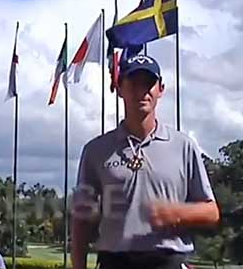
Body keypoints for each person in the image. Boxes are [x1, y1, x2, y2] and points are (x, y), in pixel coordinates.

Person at [71, 54, 220, 269]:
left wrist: (176, 212)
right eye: (133, 83)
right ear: (119, 88)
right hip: (115, 261)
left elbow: (211, 211)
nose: (142, 91)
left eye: (148, 84)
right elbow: (81, 220)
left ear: (161, 89)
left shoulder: (183, 146)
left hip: (167, 260)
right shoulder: (96, 151)